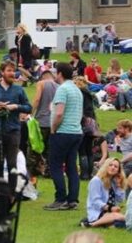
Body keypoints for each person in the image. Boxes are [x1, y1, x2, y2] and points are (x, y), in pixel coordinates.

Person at [0, 60, 31, 192]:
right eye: (9, 71)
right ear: (2, 72)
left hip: (13, 130)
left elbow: (28, 107)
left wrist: (15, 106)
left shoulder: (19, 90)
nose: (12, 73)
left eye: (13, 71)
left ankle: (12, 192)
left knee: (12, 163)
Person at [44, 62, 84, 211]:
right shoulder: (76, 89)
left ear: (60, 73)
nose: (54, 74)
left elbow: (59, 112)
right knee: (71, 167)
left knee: (55, 165)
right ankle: (72, 199)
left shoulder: (62, 89)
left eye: (55, 72)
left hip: (62, 132)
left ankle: (60, 198)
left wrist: (53, 128)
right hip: (76, 132)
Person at [81, 158, 126, 228]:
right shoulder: (96, 180)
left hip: (111, 212)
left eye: (116, 166)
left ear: (118, 171)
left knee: (122, 221)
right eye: (110, 165)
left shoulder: (114, 182)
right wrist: (110, 208)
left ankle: (108, 225)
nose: (113, 167)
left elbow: (120, 200)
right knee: (122, 218)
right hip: (98, 212)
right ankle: (93, 224)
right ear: (105, 166)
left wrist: (119, 185)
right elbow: (95, 201)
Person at [31, 70, 59, 176]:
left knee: (37, 147)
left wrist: (30, 113)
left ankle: (36, 169)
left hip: (41, 121)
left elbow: (37, 99)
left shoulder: (41, 83)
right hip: (54, 122)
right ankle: (49, 171)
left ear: (43, 77)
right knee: (50, 149)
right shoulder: (59, 86)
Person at [74, 77, 98, 180]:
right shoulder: (89, 93)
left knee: (82, 149)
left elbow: (81, 109)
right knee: (89, 150)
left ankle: (84, 174)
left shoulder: (79, 93)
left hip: (83, 122)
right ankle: (89, 173)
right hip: (92, 122)